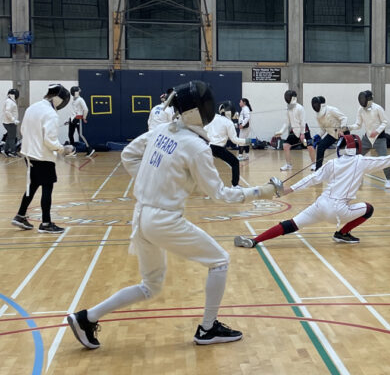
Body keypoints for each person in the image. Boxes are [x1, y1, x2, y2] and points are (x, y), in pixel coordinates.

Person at [66, 81, 284, 350]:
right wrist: (261, 192)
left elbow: (129, 154)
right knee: (220, 261)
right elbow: (220, 195)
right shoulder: (196, 147)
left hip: (142, 215)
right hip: (164, 220)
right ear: (196, 111)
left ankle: (86, 318)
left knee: (150, 286)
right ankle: (207, 328)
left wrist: (157, 182)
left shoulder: (161, 131)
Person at [234, 134, 390, 249]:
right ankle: (342, 233)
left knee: (292, 224)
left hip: (320, 205)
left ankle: (255, 240)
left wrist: (287, 190)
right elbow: (389, 159)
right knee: (369, 209)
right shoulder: (361, 162)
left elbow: (311, 179)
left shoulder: (332, 163)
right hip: (339, 211)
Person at [12, 84, 75, 233]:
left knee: (33, 185)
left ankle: (20, 215)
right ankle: (46, 223)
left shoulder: (32, 108)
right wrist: (64, 150)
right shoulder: (50, 114)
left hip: (29, 155)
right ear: (60, 99)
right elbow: (50, 141)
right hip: (42, 157)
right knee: (47, 187)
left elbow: (22, 130)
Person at [350, 90, 390, 189]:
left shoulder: (378, 108)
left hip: (379, 138)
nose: (362, 101)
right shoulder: (360, 109)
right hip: (367, 138)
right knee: (357, 157)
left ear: (368, 99)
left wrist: (377, 131)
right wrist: (349, 127)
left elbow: (385, 122)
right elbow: (358, 124)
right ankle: (358, 179)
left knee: (384, 159)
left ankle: (388, 180)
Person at [205, 102, 251, 186]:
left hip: (208, 147)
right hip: (218, 148)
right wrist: (247, 141)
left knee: (207, 168)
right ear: (230, 112)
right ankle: (235, 185)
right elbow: (234, 140)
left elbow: (205, 129)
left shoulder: (214, 117)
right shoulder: (228, 123)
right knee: (235, 162)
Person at [276, 89, 316, 172]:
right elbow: (286, 122)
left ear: (293, 98)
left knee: (309, 146)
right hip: (294, 130)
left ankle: (314, 164)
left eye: (288, 97)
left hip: (304, 129)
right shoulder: (288, 109)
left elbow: (303, 121)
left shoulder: (300, 108)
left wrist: (302, 133)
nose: (287, 98)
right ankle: (288, 164)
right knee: (286, 145)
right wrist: (281, 131)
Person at [311, 95, 348, 169]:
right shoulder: (318, 116)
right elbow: (323, 129)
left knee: (342, 152)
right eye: (314, 104)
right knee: (320, 147)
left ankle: (347, 168)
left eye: (316, 104)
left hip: (343, 133)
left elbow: (344, 118)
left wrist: (342, 129)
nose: (315, 106)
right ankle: (318, 170)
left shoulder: (331, 110)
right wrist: (317, 136)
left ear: (321, 104)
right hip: (332, 134)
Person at [67, 85, 94, 156]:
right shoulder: (73, 100)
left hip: (78, 119)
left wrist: (84, 117)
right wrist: (69, 119)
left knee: (81, 135)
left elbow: (86, 109)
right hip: (72, 119)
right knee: (70, 135)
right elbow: (73, 111)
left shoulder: (80, 100)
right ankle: (73, 151)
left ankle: (89, 149)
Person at [2, 87, 20, 157]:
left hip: (8, 122)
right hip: (10, 123)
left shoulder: (8, 101)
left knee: (9, 137)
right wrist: (14, 120)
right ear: (15, 95)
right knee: (12, 137)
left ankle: (5, 150)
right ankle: (12, 152)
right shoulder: (10, 102)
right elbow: (7, 112)